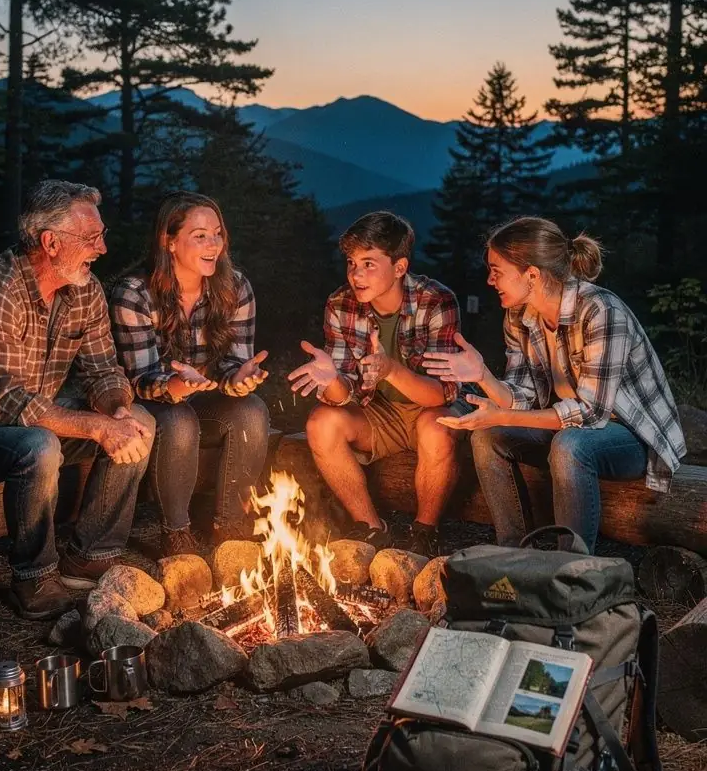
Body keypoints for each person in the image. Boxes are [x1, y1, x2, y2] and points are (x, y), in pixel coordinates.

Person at [0, 181, 155, 619]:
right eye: (91, 237)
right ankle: (33, 577)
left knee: (140, 421)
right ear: (50, 242)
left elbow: (103, 371)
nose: (102, 248)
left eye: (102, 235)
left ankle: (90, 555)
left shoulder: (85, 289)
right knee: (38, 446)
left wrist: (116, 410)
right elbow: (8, 402)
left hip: (24, 421)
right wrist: (97, 427)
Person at [424, 215, 686, 554]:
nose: (490, 280)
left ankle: (570, 566)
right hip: (568, 426)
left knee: (569, 444)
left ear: (532, 275)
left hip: (631, 436)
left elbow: (590, 414)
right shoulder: (519, 316)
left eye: (497, 270)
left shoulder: (601, 310)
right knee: (487, 436)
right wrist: (482, 375)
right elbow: (522, 396)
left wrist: (501, 415)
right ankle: (514, 554)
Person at [288, 211, 463, 556]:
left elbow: (441, 393)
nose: (356, 275)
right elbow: (345, 394)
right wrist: (332, 378)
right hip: (378, 411)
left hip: (429, 409)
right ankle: (370, 527)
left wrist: (390, 370)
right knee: (321, 422)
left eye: (369, 264)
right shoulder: (340, 304)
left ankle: (424, 531)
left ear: (399, 267)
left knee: (438, 428)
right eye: (351, 263)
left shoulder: (436, 301)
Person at [110, 192, 271, 556]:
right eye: (200, 236)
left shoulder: (235, 288)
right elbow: (140, 380)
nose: (214, 244)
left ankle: (230, 528)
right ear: (169, 241)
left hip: (205, 398)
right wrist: (176, 385)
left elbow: (232, 366)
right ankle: (176, 533)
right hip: (150, 406)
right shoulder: (135, 294)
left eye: (217, 234)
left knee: (253, 411)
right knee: (180, 418)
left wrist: (239, 378)